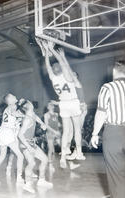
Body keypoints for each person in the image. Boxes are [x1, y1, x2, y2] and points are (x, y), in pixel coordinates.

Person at [91, 60, 125, 198]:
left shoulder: (107, 88)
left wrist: (95, 134)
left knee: (117, 175)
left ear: (114, 71)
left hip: (113, 133)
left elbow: (101, 113)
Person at [40, 39, 85, 168]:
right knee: (77, 129)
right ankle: (79, 151)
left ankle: (64, 154)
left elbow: (48, 67)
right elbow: (62, 62)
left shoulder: (53, 78)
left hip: (63, 104)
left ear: (54, 70)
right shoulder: (67, 76)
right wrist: (52, 49)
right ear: (60, 69)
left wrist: (47, 53)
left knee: (66, 131)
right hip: (72, 103)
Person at [0, 93, 24, 185]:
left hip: (2, 132)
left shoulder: (10, 107)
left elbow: (16, 117)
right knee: (20, 156)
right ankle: (19, 179)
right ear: (9, 101)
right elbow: (14, 113)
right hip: (7, 132)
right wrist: (26, 116)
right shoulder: (12, 106)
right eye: (13, 96)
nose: (15, 96)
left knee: (2, 156)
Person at [18, 100, 54, 193]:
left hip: (31, 143)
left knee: (45, 159)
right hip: (25, 144)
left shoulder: (32, 114)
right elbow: (20, 135)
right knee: (31, 163)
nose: (31, 102)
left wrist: (42, 123)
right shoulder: (27, 119)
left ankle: (41, 181)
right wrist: (28, 147)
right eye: (29, 102)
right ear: (28, 106)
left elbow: (37, 118)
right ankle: (27, 184)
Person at [44, 101, 61, 172]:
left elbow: (58, 123)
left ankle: (69, 163)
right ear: (48, 107)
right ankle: (50, 164)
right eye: (49, 105)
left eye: (52, 105)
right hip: (50, 133)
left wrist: (61, 126)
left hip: (57, 133)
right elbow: (47, 125)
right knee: (50, 149)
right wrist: (54, 131)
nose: (51, 106)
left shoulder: (56, 114)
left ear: (53, 106)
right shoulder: (46, 115)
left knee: (63, 147)